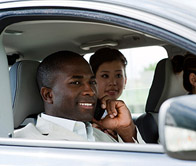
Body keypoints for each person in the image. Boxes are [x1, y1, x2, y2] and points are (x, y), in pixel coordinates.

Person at [14, 50, 144, 143]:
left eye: (92, 82)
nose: (91, 91)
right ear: (48, 95)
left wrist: (127, 131)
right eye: (76, 83)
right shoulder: (24, 142)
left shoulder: (101, 135)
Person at [89, 48, 127, 140]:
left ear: (125, 80)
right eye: (105, 76)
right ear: (92, 81)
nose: (113, 82)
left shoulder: (122, 112)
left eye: (118, 75)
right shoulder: (85, 113)